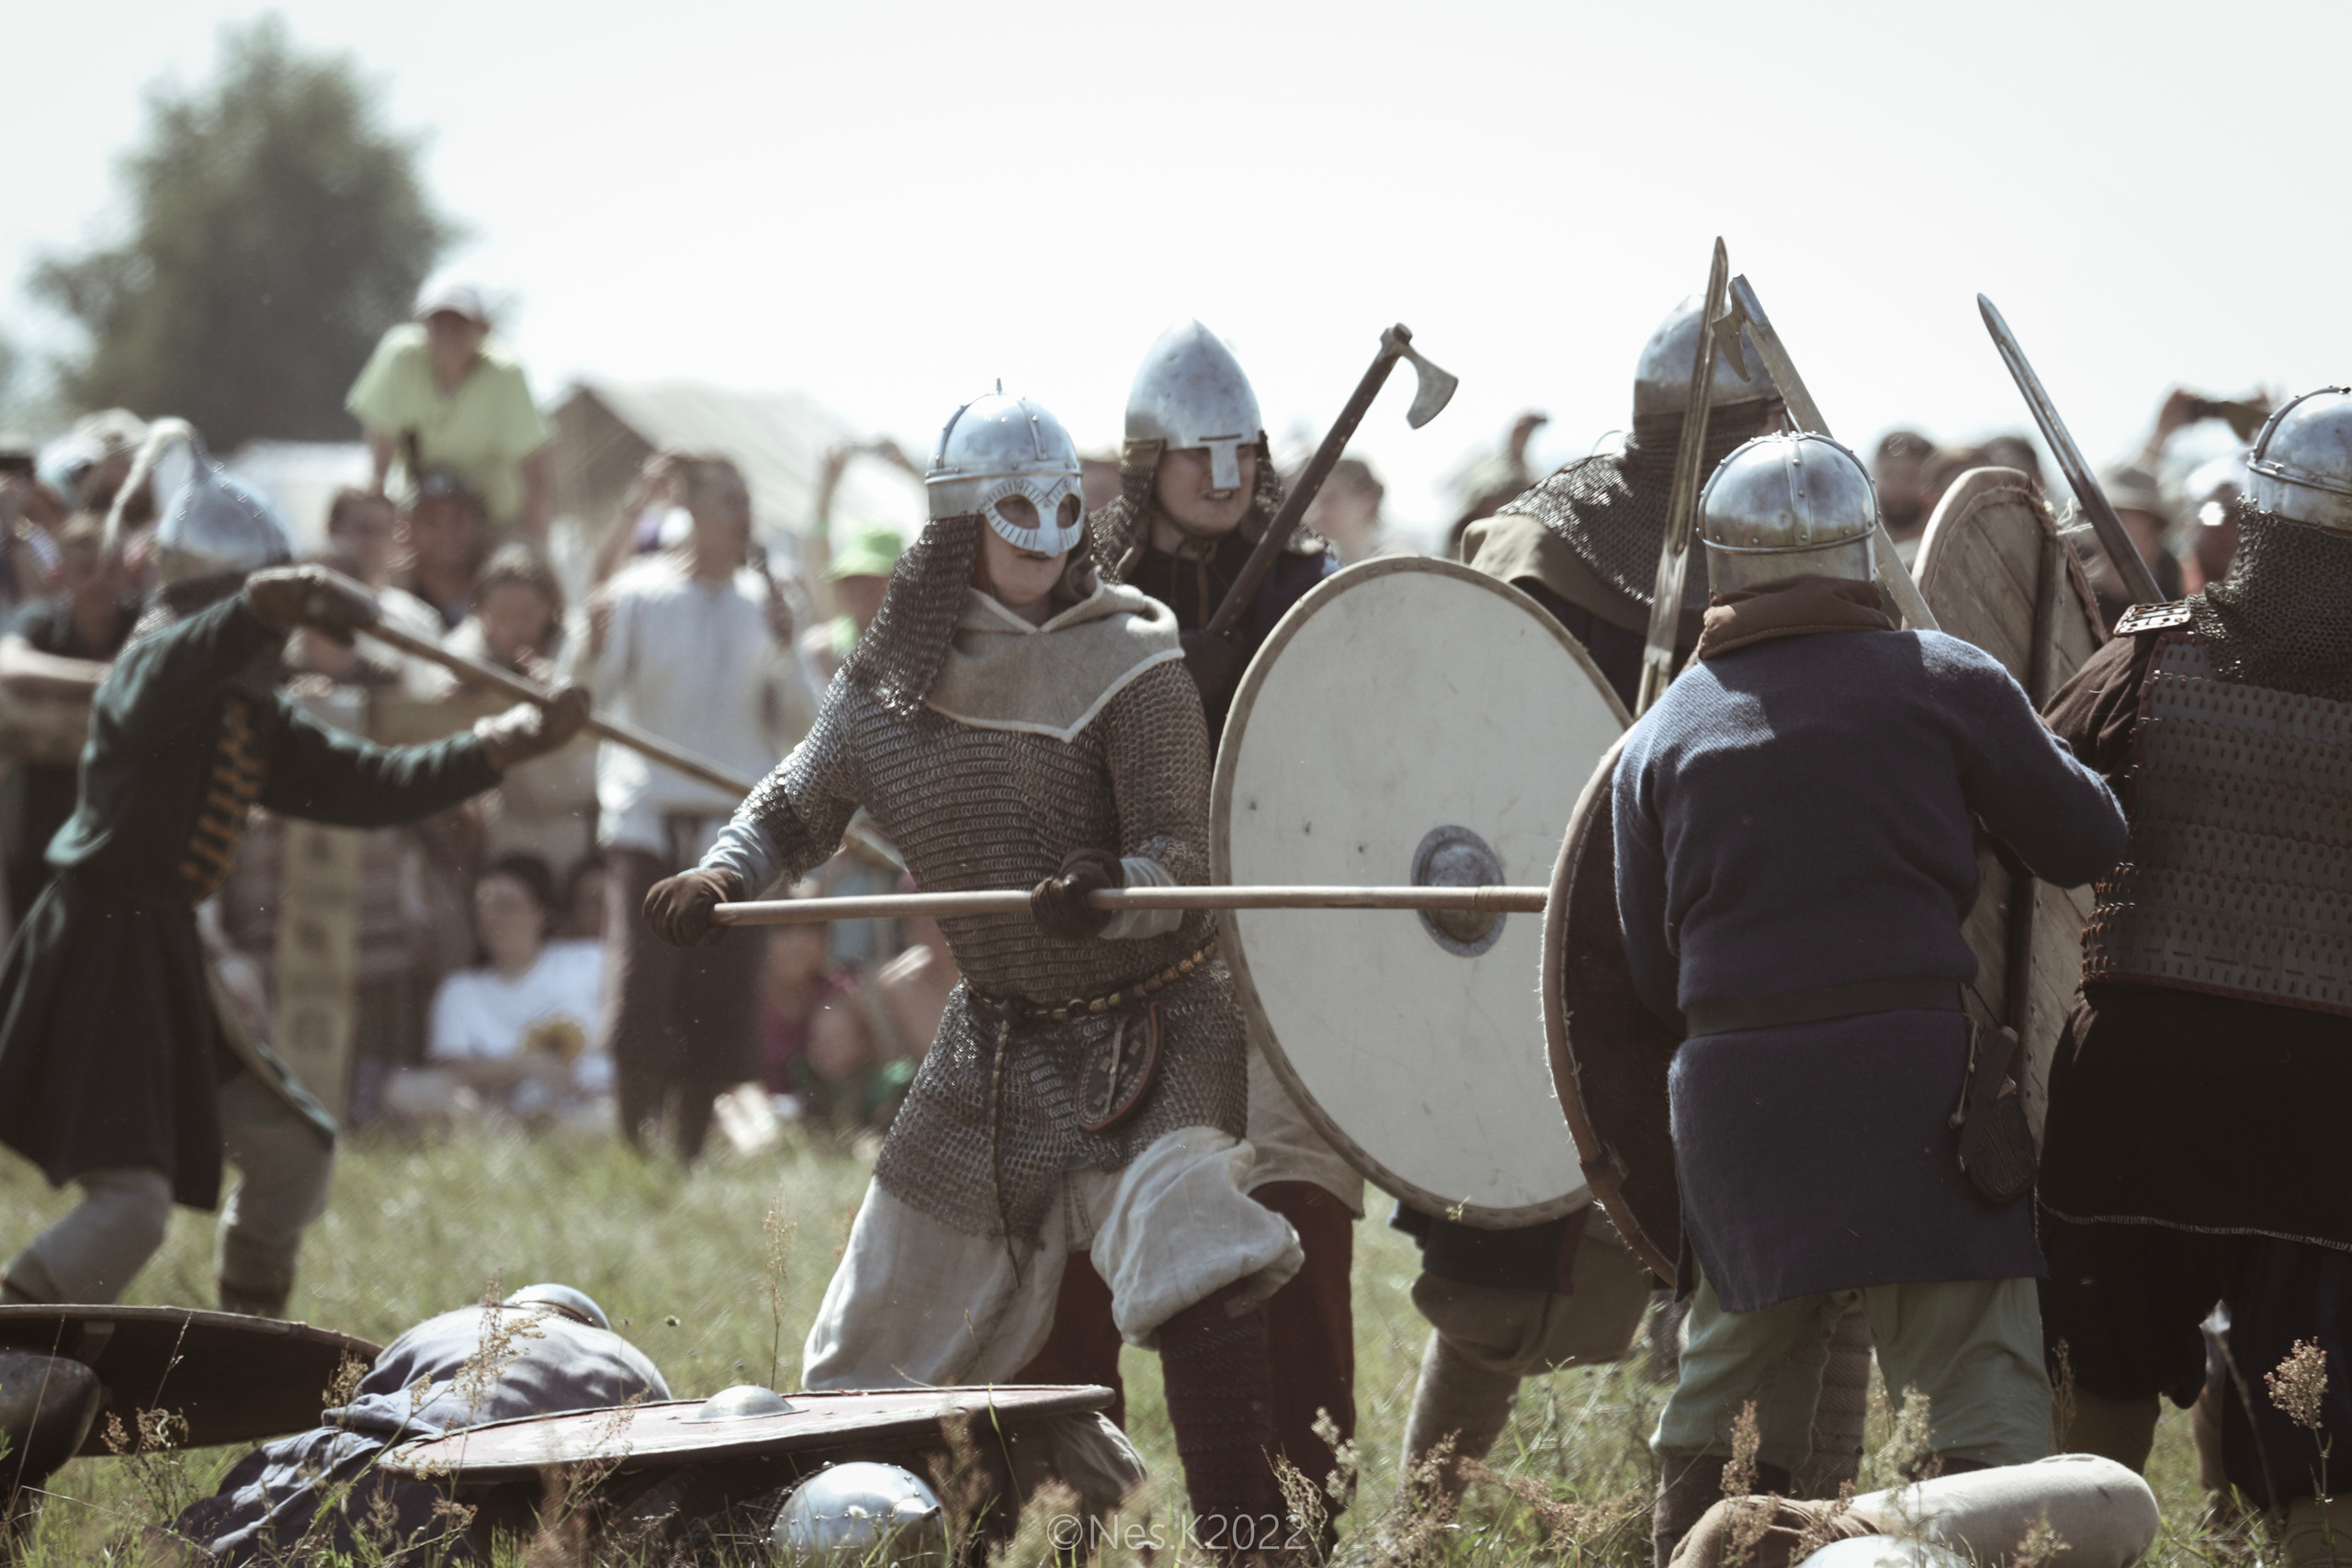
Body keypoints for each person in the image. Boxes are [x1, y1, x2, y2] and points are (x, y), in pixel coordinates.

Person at [643, 389, 1302, 1537]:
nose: (1043, 532)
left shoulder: (1131, 657)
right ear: (957, 524)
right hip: (995, 1042)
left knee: (1195, 1247)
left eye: (1060, 507)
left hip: (1157, 1026)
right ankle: (942, 1535)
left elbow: (1180, 855)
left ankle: (1250, 1546)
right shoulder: (891, 677)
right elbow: (797, 803)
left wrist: (1114, 893)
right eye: (1013, 510)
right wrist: (723, 874)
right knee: (868, 1350)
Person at [1616, 433, 2128, 1565]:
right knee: (1980, 1397)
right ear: (1862, 555)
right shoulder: (1948, 679)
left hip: (1739, 1099)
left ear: (1722, 568)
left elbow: (1656, 979)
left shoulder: (1657, 736)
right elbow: (2090, 837)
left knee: (1732, 1415)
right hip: (1915, 1095)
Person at [0, 430, 590, 1317]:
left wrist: (495, 746)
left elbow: (370, 782)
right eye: (250, 617)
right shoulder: (152, 670)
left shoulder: (251, 710)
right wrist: (256, 609)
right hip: (96, 950)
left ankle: (243, 1351)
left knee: (293, 1155)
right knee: (131, 1209)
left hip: (162, 951)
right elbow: (169, 669)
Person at [1418, 301, 1792, 1513]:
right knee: (1505, 1258)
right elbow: (1461, 740)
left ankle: (1681, 1519)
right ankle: (1423, 1516)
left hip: (1713, 942)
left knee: (1718, 1250)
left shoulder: (1767, 550)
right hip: (1544, 940)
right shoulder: (1537, 548)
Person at [2032, 388, 2352, 1566]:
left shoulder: (2152, 660)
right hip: (2328, 1116)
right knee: (2323, 1450)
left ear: (2261, 515)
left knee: (2092, 1410)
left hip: (2137, 1093)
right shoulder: (2155, 648)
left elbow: (2026, 806)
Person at [1072, 321, 1363, 1525]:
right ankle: (1091, 1513)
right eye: (1197, 449)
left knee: (1299, 1229)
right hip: (1129, 971)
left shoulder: (1314, 586)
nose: (1225, 469)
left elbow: (1366, 759)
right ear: (1151, 460)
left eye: (1239, 445)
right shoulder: (1090, 601)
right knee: (1106, 1251)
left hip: (1281, 950)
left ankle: (1291, 1524)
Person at [580, 454, 815, 1162]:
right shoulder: (640, 595)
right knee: (644, 981)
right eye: (726, 501)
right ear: (689, 510)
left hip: (732, 824)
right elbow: (590, 692)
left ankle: (684, 1150)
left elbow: (805, 723)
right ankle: (631, 1145)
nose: (742, 516)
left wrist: (785, 646)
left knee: (720, 990)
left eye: (746, 500)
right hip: (649, 814)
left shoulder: (768, 604)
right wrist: (588, 644)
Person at [171, 1284, 666, 1563]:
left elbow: (362, 1407)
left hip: (365, 1465)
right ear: (592, 1326)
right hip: (495, 1523)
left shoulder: (454, 1322)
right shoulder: (634, 1364)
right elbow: (654, 1480)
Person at [1463, 299, 1787, 705]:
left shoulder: (1786, 552)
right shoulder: (1537, 547)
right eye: (1779, 418)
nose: (1787, 440)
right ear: (1752, 424)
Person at [378, 853, 607, 1125]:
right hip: (503, 1115)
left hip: (584, 1106)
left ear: (540, 915)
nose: (492, 918)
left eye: (507, 906)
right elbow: (452, 1071)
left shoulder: (589, 961)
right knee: (402, 1089)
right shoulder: (460, 990)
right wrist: (522, 1065)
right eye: (484, 907)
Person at [0, 514, 141, 919]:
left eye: (109, 569)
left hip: (122, 812)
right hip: (45, 812)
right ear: (59, 575)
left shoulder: (147, 618)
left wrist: (67, 686)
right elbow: (11, 664)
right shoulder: (41, 618)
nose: (99, 582)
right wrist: (107, 677)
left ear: (127, 572)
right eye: (85, 571)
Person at [344, 279, 554, 542]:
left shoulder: (506, 374)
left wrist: (534, 541)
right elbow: (381, 449)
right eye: (438, 325)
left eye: (459, 326)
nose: (448, 335)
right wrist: (375, 522)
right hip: (422, 517)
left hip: (492, 522)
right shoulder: (400, 357)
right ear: (420, 325)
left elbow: (534, 470)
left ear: (484, 329)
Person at [438, 544, 597, 881]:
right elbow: (444, 679)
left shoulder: (575, 642)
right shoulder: (465, 649)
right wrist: (470, 687)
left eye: (525, 614)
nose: (513, 628)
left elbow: (586, 684)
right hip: (512, 820)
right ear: (481, 612)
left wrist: (554, 686)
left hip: (577, 816)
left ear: (550, 608)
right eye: (501, 615)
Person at [798, 518, 902, 693]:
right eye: (854, 579)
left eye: (875, 579)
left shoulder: (923, 654)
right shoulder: (821, 651)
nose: (862, 590)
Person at [388, 469, 491, 633]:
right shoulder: (391, 598)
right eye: (431, 521)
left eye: (457, 519)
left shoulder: (498, 591)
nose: (447, 532)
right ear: (407, 531)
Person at [1445, 410, 1551, 558]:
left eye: (1526, 431)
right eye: (1520, 429)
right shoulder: (1485, 463)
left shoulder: (1527, 472)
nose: (1522, 435)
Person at [1304, 456, 1414, 564]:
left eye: (1331, 498)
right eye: (1315, 501)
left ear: (1367, 501)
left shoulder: (1397, 556)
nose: (1319, 512)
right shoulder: (1330, 561)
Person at [1871, 430, 1938, 563]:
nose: (1898, 487)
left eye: (1911, 476)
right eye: (1888, 476)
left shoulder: (1945, 551)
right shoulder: (1857, 551)